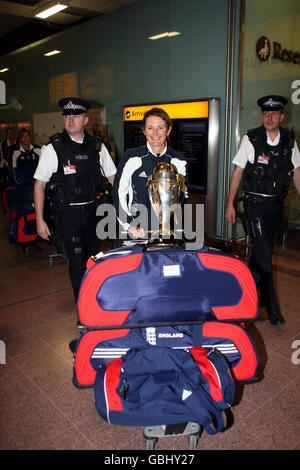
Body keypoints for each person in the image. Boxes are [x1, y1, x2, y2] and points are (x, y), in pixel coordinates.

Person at [225, 94, 300, 326]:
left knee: (259, 257)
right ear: (262, 116)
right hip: (255, 205)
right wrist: (230, 203)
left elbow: (297, 172)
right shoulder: (251, 139)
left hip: (276, 206)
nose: (269, 117)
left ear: (281, 116)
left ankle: (238, 290)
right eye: (266, 113)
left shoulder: (289, 141)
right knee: (265, 256)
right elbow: (237, 173)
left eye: (274, 113)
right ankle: (273, 310)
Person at [34, 97, 116, 302]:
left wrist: (124, 210)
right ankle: (83, 310)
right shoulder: (53, 148)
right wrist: (39, 220)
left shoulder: (97, 147)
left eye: (76, 116)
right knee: (77, 262)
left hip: (93, 214)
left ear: (85, 120)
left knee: (92, 259)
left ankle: (94, 301)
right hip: (68, 216)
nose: (71, 120)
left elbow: (113, 179)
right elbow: (39, 185)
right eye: (67, 116)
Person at [113, 107, 187, 239]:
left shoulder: (178, 160)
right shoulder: (131, 157)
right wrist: (129, 224)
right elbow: (118, 193)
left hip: (168, 233)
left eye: (160, 127)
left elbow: (182, 197)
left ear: (169, 130)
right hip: (138, 232)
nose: (155, 133)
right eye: (150, 128)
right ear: (143, 130)